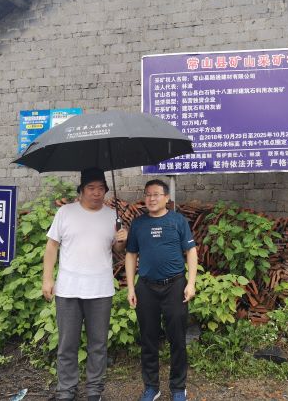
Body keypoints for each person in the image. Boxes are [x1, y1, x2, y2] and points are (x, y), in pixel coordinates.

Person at [42, 167, 127, 401]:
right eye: (91, 188)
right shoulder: (65, 213)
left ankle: (94, 391)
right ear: (81, 190)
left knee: (98, 344)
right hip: (68, 289)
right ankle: (66, 390)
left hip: (100, 290)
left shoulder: (112, 216)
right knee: (67, 344)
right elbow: (52, 246)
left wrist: (122, 240)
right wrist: (47, 278)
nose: (96, 193)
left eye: (101, 188)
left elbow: (118, 251)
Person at [125, 179, 198, 401]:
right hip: (146, 287)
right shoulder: (138, 224)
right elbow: (131, 255)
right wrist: (131, 287)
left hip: (175, 286)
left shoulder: (178, 221)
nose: (151, 198)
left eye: (156, 194)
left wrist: (191, 283)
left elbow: (191, 252)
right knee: (148, 339)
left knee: (177, 338)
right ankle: (151, 387)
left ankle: (178, 387)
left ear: (166, 198)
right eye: (148, 194)